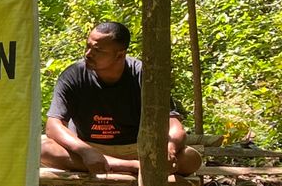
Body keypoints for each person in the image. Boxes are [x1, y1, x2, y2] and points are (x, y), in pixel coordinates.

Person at [41, 20, 203, 177]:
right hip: (88, 147)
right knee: (43, 150)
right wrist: (86, 151)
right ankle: (132, 167)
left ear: (120, 55)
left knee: (191, 159)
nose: (88, 54)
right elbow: (53, 126)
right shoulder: (73, 74)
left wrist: (170, 148)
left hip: (137, 149)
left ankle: (121, 164)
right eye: (88, 46)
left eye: (97, 50)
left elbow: (174, 125)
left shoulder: (144, 76)